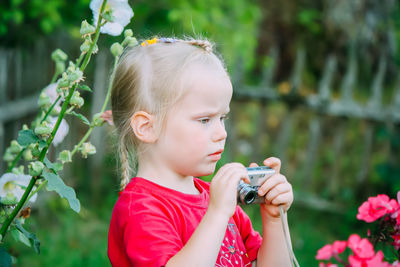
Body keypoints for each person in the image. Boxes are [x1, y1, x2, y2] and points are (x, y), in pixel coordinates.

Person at [107, 37, 294, 267]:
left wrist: (274, 219)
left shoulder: (217, 200)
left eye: (222, 118)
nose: (221, 133)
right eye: (204, 120)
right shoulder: (140, 209)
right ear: (147, 127)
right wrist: (216, 214)